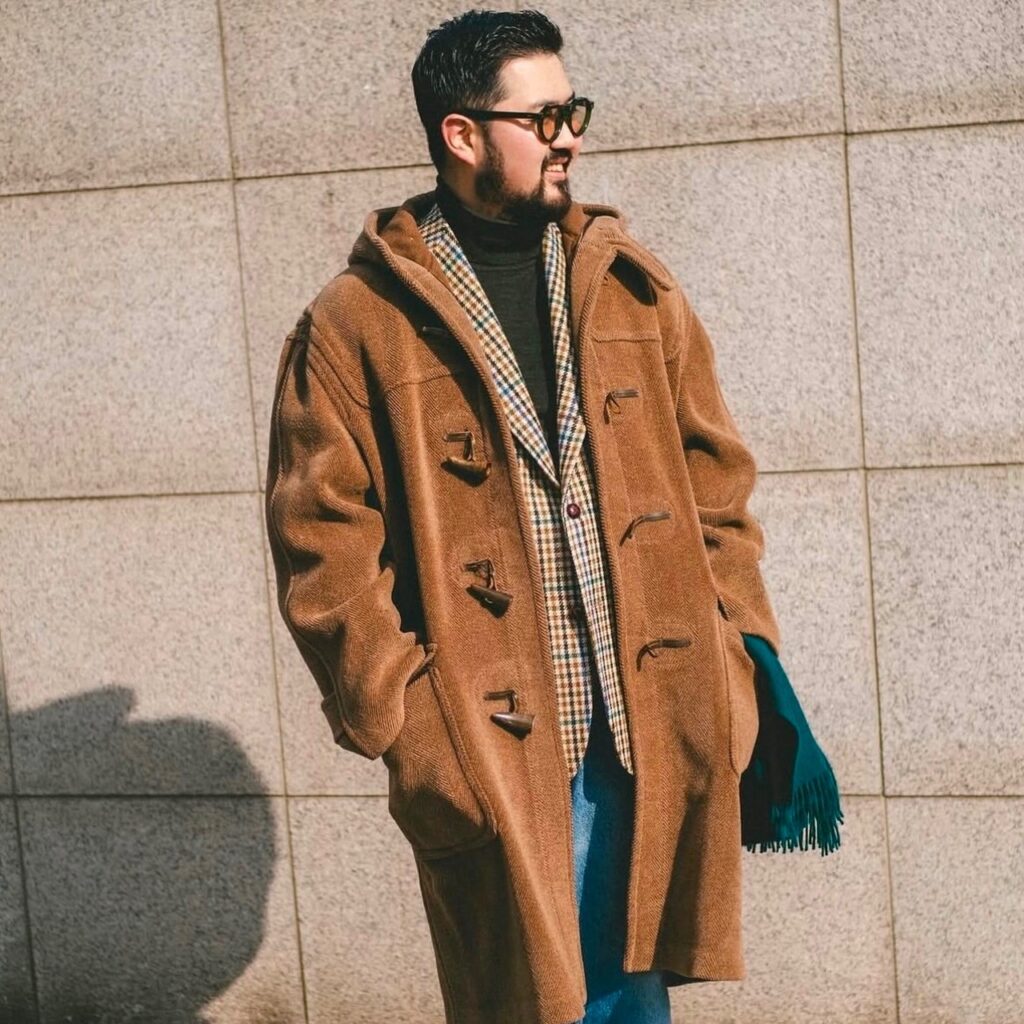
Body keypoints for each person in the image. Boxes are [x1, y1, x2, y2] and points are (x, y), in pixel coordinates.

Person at [265, 9, 791, 1023]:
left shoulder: (629, 288)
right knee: (524, 1007)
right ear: (461, 134)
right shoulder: (354, 324)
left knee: (632, 1002)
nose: (569, 136)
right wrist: (409, 722)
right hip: (492, 747)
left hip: (650, 718)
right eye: (542, 116)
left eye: (572, 111)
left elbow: (716, 483)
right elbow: (318, 539)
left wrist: (735, 654)